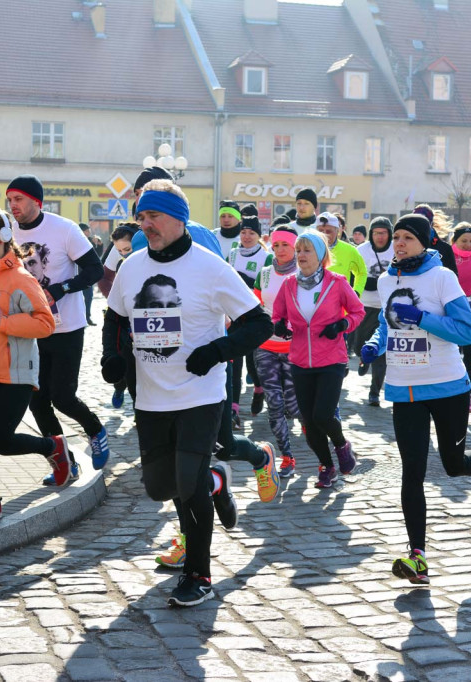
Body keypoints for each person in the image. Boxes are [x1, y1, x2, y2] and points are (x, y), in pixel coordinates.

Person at [101, 179, 272, 606]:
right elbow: (116, 320)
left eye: (154, 215)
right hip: (151, 397)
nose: (146, 224)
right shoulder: (132, 265)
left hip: (201, 394)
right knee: (162, 488)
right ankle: (218, 480)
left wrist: (216, 351)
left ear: (178, 218)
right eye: (141, 216)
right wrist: (113, 357)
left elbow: (259, 324)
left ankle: (198, 572)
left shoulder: (210, 267)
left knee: (188, 486)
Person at [360, 213, 471, 585]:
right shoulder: (388, 279)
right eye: (396, 237)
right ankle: (417, 555)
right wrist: (374, 345)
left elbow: (467, 331)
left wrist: (421, 317)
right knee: (413, 472)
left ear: (426, 242)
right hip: (405, 390)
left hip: (447, 387)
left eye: (407, 237)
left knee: (453, 465)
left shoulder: (442, 278)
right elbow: (385, 324)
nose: (399, 243)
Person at [0, 209, 72, 524]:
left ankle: (52, 447)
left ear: (4, 236)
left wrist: (3, 322)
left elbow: (45, 323)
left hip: (14, 374)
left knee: (0, 440)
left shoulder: (22, 279)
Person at [7, 174, 109, 481]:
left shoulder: (64, 229)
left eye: (19, 199)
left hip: (66, 327)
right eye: (10, 200)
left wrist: (61, 288)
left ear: (36, 201)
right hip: (28, 327)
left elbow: (94, 270)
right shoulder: (7, 231)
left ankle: (95, 429)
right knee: (37, 400)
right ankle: (64, 462)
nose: (13, 206)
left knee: (63, 396)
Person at [272, 231, 364, 488]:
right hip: (300, 360)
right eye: (298, 250)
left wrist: (342, 324)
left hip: (331, 360)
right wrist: (280, 326)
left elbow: (358, 311)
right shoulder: (289, 284)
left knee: (323, 415)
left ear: (321, 255)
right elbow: (278, 314)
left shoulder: (337, 283)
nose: (300, 255)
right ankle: (327, 466)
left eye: (306, 250)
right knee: (309, 421)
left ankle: (342, 445)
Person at [254, 226, 303, 477]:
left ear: (295, 247)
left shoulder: (305, 273)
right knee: (274, 403)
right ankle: (287, 457)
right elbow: (254, 305)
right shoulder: (263, 274)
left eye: (285, 245)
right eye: (275, 246)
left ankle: (309, 419)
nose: (280, 250)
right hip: (266, 346)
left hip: (296, 347)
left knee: (294, 407)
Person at [228, 212, 273, 421]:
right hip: (233, 314)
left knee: (252, 359)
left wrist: (245, 281)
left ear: (259, 236)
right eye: (243, 232)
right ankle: (234, 408)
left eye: (251, 233)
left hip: (255, 314)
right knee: (234, 360)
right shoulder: (233, 253)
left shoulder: (266, 257)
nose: (246, 236)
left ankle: (258, 388)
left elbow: (266, 286)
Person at [98, 223, 140, 409]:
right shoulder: (124, 265)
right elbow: (103, 276)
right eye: (120, 250)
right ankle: (120, 387)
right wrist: (115, 299)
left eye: (127, 249)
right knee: (127, 367)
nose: (124, 254)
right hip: (126, 323)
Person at [354, 217, 395, 406]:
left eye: (384, 232)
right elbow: (351, 275)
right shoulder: (361, 250)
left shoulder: (396, 248)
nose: (380, 236)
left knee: (382, 352)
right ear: (371, 234)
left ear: (389, 233)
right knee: (359, 345)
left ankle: (375, 391)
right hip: (364, 306)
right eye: (376, 233)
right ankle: (364, 358)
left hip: (388, 308)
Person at [451, 223, 471, 408]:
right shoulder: (448, 255)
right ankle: (452, 389)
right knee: (453, 351)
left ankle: (469, 391)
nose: (468, 244)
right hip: (452, 307)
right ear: (455, 241)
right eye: (464, 241)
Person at [317, 212, 367, 298]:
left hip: (340, 306)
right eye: (320, 231)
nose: (324, 234)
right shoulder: (307, 249)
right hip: (313, 305)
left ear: (337, 231)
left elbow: (362, 273)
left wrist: (356, 292)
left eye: (329, 231)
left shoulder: (349, 250)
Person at [412, 205, 458, 274]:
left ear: (431, 224)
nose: (419, 227)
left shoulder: (445, 249)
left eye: (424, 223)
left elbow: (453, 277)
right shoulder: (405, 246)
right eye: (415, 223)